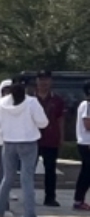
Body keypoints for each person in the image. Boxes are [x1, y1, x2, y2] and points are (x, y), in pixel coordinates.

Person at [0, 82, 49, 217]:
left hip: (8, 142)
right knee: (27, 179)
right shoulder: (32, 102)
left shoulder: (2, 103)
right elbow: (43, 123)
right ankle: (29, 216)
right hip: (28, 142)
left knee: (7, 177)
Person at [34, 71, 67, 207]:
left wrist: (61, 137)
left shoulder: (57, 100)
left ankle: (50, 197)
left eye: (46, 79)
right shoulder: (30, 99)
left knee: (50, 169)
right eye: (41, 79)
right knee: (29, 169)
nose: (44, 82)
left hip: (51, 138)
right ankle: (29, 196)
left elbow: (60, 120)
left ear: (51, 81)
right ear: (37, 81)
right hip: (33, 139)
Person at [75, 83, 90, 211]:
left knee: (86, 172)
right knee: (86, 174)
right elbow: (87, 124)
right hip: (87, 143)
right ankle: (79, 200)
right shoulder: (87, 105)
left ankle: (79, 199)